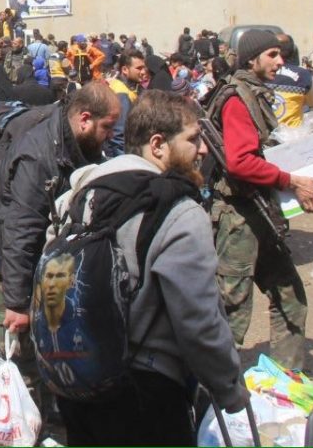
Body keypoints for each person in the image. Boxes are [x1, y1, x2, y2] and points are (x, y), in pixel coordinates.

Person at [54, 91, 246, 446]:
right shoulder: (179, 210)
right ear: (157, 145)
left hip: (79, 382)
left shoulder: (79, 196)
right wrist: (229, 389)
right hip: (147, 394)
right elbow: (198, 320)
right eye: (193, 139)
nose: (203, 150)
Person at [0, 82, 120, 427]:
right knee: (19, 347)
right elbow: (19, 231)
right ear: (85, 119)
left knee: (51, 338)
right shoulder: (38, 156)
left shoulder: (76, 140)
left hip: (40, 256)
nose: (110, 137)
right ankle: (25, 425)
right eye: (107, 128)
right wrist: (17, 303)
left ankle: (50, 406)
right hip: (4, 258)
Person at [208, 29, 313, 371]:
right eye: (272, 55)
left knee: (289, 296)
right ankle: (214, 397)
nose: (279, 62)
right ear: (251, 58)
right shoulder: (237, 98)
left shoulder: (254, 93)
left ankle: (285, 383)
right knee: (232, 311)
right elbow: (240, 162)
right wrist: (291, 180)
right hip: (238, 218)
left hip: (259, 211)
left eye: (281, 55)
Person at [265, 34, 313, 128]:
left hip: (265, 133)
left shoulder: (261, 72)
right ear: (293, 51)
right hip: (292, 136)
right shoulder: (304, 75)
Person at [105, 49, 147, 157]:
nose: (143, 72)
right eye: (139, 68)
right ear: (125, 69)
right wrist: (127, 162)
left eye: (144, 68)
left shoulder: (130, 87)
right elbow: (119, 135)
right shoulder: (121, 93)